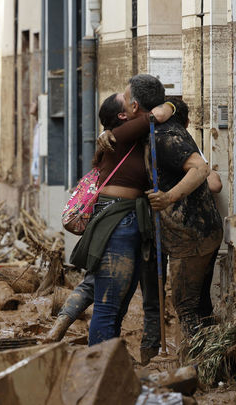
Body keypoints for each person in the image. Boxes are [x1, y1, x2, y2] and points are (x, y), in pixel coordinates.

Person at [45, 93, 172, 346]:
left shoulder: (125, 136)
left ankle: (106, 361)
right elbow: (162, 111)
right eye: (126, 99)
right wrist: (167, 104)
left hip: (125, 221)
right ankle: (97, 364)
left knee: (113, 300)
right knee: (109, 304)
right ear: (123, 115)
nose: (131, 98)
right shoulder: (120, 134)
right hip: (119, 221)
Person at [107, 74, 224, 344]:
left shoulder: (164, 135)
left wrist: (168, 197)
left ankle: (202, 368)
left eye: (125, 99)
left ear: (135, 106)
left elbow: (201, 168)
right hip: (188, 235)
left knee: (186, 307)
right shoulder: (151, 129)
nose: (122, 104)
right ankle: (210, 365)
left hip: (192, 236)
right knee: (198, 306)